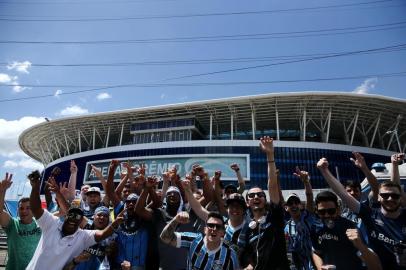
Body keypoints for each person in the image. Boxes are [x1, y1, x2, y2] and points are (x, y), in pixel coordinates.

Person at [26, 169, 123, 270]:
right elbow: (36, 209)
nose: (74, 219)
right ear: (66, 215)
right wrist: (35, 187)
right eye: (71, 215)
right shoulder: (52, 223)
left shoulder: (82, 235)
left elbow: (103, 234)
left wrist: (114, 226)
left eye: (78, 217)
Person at [317, 157, 401, 269]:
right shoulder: (365, 214)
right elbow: (342, 193)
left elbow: (384, 188)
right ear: (379, 198)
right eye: (385, 196)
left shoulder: (368, 209)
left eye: (395, 196)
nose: (390, 199)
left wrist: (365, 169)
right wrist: (324, 171)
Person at [238, 136, 289, 270]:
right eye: (251, 195)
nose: (256, 197)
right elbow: (248, 257)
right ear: (247, 202)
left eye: (260, 195)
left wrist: (270, 155)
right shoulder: (247, 229)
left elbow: (272, 185)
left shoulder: (275, 217)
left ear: (265, 199)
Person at [310, 190, 382, 270]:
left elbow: (376, 267)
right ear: (317, 211)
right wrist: (320, 267)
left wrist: (360, 245)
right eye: (322, 212)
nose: (326, 215)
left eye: (331, 211)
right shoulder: (316, 227)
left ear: (337, 210)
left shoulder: (349, 227)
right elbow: (316, 252)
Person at [160, 211, 240, 270]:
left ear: (223, 232)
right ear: (205, 230)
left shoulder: (230, 254)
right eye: (211, 225)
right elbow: (165, 237)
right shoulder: (193, 240)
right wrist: (176, 219)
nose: (214, 229)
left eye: (218, 227)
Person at [0, 172, 41, 270]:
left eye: (28, 208)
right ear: (18, 210)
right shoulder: (12, 224)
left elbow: (61, 213)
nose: (24, 211)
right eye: (21, 208)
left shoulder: (40, 223)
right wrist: (3, 190)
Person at [284, 168, 316, 270]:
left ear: (300, 205)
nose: (294, 205)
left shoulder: (308, 217)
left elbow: (310, 197)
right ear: (286, 208)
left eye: (296, 202)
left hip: (314, 264)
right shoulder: (286, 228)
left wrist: (306, 182)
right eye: (290, 203)